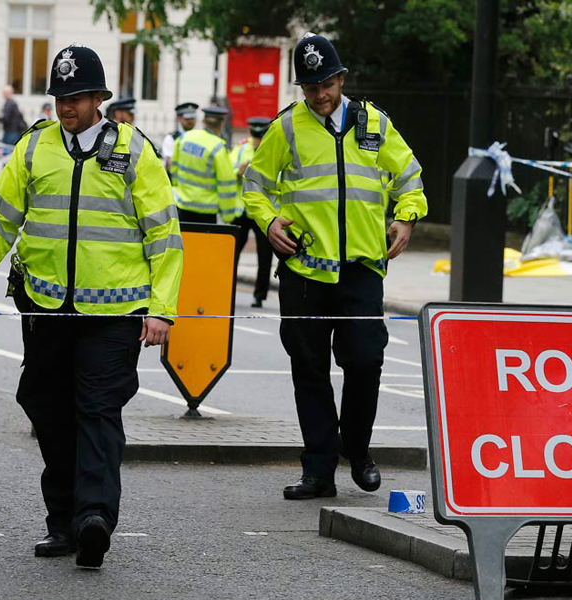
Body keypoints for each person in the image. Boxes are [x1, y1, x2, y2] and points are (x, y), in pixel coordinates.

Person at [0, 45, 182, 570]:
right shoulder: (35, 150)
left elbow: (165, 236)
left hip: (115, 313)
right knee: (48, 409)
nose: (66, 106)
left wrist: (162, 309)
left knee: (98, 411)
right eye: (60, 97)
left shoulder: (135, 152)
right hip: (46, 306)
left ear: (99, 99)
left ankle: (94, 519)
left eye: (76, 97)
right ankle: (62, 521)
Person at [243, 33, 427, 500]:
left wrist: (406, 218)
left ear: (341, 78)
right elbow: (254, 186)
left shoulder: (374, 124)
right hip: (304, 271)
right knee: (309, 370)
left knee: (365, 362)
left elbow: (410, 178)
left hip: (362, 269)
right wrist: (267, 223)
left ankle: (358, 451)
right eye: (309, 87)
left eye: (326, 83)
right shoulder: (286, 129)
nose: (319, 94)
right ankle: (319, 471)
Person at [169, 106, 239, 223]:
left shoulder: (184, 138)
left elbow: (174, 169)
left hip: (182, 205)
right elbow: (226, 183)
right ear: (221, 125)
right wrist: (228, 215)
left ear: (203, 121)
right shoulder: (218, 148)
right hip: (207, 211)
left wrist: (179, 189)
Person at [231, 116, 273, 307]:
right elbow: (227, 168)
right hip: (241, 210)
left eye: (261, 136)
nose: (258, 140)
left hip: (263, 211)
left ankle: (259, 295)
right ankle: (227, 289)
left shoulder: (273, 148)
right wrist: (238, 171)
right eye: (255, 136)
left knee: (265, 255)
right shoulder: (241, 148)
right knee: (232, 252)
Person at [161, 102, 198, 172]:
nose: (190, 121)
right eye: (187, 119)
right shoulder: (171, 138)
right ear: (179, 119)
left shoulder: (200, 137)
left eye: (192, 118)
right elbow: (170, 163)